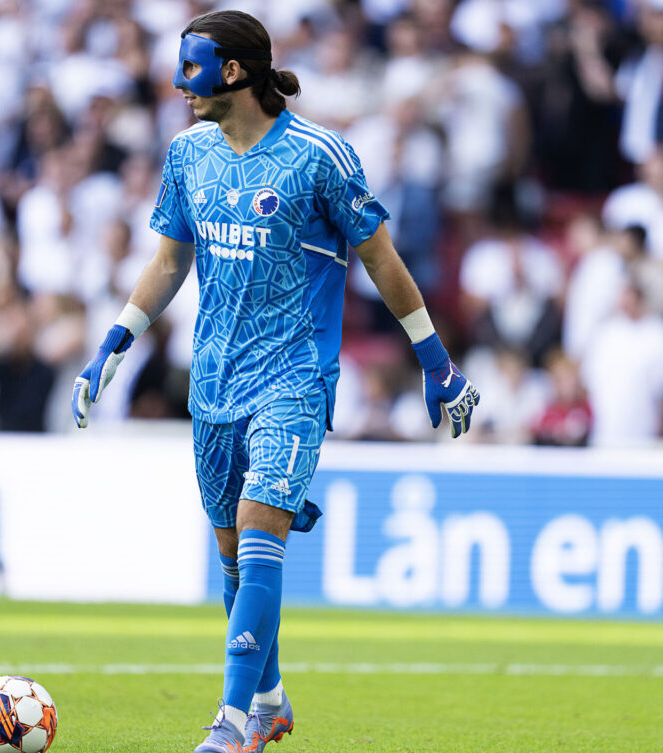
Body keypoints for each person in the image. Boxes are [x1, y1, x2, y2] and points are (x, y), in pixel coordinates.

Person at [70, 11, 478, 753]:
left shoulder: (321, 156)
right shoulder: (188, 153)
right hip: (213, 381)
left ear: (233, 72)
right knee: (232, 554)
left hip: (293, 378)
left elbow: (382, 260)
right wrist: (112, 345)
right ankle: (269, 697)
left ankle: (229, 725)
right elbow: (168, 262)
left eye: (190, 67)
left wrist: (436, 361)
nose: (176, 82)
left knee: (261, 533)